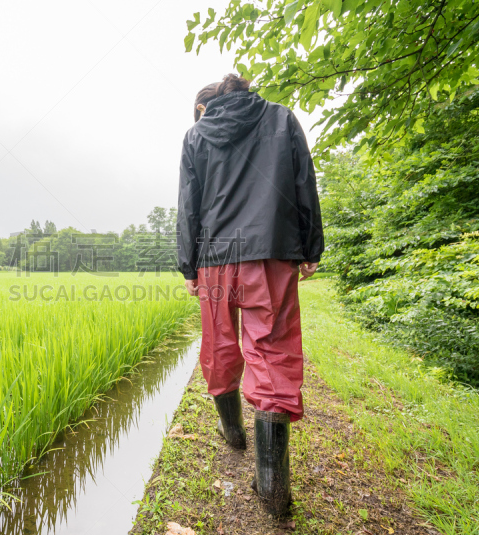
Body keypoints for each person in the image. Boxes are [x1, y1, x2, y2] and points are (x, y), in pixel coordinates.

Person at [176, 74, 323, 516]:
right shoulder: (281, 118)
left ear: (208, 105)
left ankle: (234, 434)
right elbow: (304, 183)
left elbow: (189, 205)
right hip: (272, 252)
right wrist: (310, 246)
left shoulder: (196, 135)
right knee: (273, 353)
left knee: (220, 346)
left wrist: (189, 265)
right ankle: (273, 490)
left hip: (216, 256)